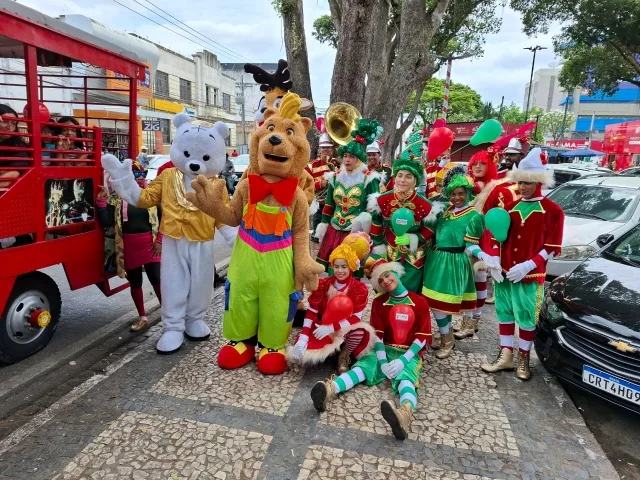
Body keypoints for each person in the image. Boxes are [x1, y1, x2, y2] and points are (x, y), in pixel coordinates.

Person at [310, 259, 431, 440]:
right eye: (380, 280)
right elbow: (378, 335)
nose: (385, 281)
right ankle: (330, 390)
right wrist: (382, 360)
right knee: (362, 368)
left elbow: (422, 337)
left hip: (409, 353)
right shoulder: (379, 302)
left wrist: (404, 360)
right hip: (383, 349)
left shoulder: (420, 302)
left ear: (396, 272)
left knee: (407, 379)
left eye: (387, 275)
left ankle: (404, 413)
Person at [480, 148, 564, 380]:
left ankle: (523, 359)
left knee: (526, 317)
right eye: (521, 182)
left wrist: (529, 265)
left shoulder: (553, 211)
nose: (523, 187)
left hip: (529, 276)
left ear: (538, 182)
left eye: (528, 182)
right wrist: (494, 260)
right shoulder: (509, 208)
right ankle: (505, 355)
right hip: (505, 274)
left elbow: (552, 246)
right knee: (504, 314)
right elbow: (497, 237)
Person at [422, 167, 487, 359]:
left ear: (468, 193)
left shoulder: (474, 216)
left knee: (440, 304)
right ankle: (445, 336)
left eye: (461, 194)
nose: (457, 197)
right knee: (439, 304)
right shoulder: (444, 211)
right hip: (436, 260)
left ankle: (447, 339)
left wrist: (483, 255)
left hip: (454, 262)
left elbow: (471, 244)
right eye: (453, 194)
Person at [290, 236, 375, 373]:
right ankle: (329, 349)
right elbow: (311, 311)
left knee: (359, 331)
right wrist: (305, 335)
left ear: (351, 267)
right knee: (304, 351)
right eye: (336, 266)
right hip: (322, 324)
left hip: (344, 327)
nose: (339, 271)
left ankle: (344, 354)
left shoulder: (359, 288)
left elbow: (355, 318)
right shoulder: (323, 284)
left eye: (344, 266)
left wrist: (332, 328)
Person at [96, 171, 163, 332]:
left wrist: (160, 241)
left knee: (156, 278)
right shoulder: (117, 198)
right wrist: (101, 200)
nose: (139, 180)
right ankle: (142, 317)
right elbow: (106, 221)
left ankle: (169, 315)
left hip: (150, 244)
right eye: (135, 177)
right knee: (135, 282)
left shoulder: (151, 196)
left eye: (141, 177)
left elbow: (165, 220)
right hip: (128, 245)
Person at [369, 129, 434, 293]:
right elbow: (376, 227)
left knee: (410, 295)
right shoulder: (382, 199)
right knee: (387, 294)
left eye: (408, 176)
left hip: (414, 259)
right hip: (388, 255)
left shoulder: (425, 204)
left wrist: (412, 239)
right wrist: (378, 250)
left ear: (415, 180)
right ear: (394, 177)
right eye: (399, 175)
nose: (402, 180)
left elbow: (429, 230)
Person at [315, 119, 383, 273]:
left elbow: (373, 207)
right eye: (345, 155)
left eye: (351, 156)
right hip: (334, 229)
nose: (347, 159)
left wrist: (364, 222)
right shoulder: (335, 176)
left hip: (355, 233)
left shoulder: (369, 178)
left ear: (359, 159)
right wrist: (323, 225)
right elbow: (329, 204)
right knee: (335, 269)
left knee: (352, 271)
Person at [453, 148, 499, 339]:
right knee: (467, 283)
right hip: (468, 238)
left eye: (482, 163)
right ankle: (467, 319)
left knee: (479, 282)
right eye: (474, 164)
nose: (477, 167)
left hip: (484, 239)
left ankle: (474, 321)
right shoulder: (470, 185)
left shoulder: (496, 187)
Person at [306, 133, 337, 242]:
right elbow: (306, 185)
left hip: (335, 205)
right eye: (323, 147)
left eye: (328, 147)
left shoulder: (337, 163)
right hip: (320, 205)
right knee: (316, 238)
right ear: (319, 149)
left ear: (332, 149)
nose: (326, 150)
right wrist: (320, 184)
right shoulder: (311, 166)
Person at [0, 104, 29, 190]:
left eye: (13, 123)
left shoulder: (18, 145)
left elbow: (14, 172)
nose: (9, 127)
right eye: (4, 121)